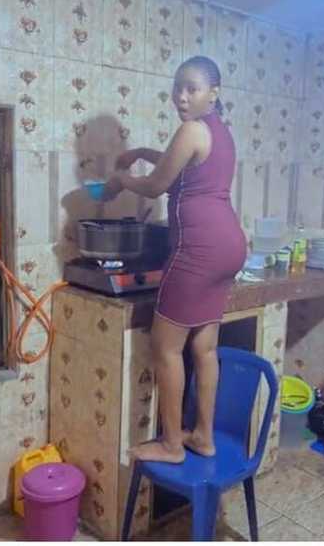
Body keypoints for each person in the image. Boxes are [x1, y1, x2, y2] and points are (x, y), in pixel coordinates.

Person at [103, 55, 247, 464]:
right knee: (204, 346)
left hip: (197, 250)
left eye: (192, 89)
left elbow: (155, 185)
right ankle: (202, 436)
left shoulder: (191, 130)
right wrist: (141, 151)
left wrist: (119, 179)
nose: (181, 97)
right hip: (230, 246)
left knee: (165, 347)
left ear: (213, 93)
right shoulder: (220, 133)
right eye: (177, 88)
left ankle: (170, 444)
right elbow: (179, 164)